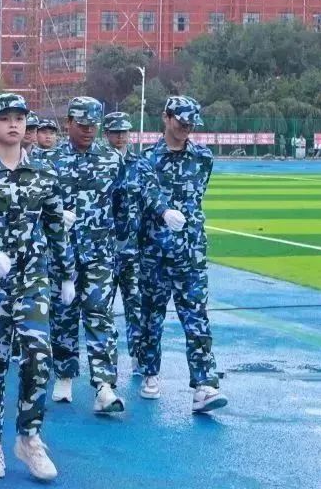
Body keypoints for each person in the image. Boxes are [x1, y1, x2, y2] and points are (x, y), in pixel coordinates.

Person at [0, 93, 74, 481]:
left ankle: (29, 437)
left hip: (30, 276)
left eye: (20, 118)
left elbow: (55, 225)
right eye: (5, 118)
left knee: (38, 354)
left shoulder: (43, 173)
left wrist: (67, 274)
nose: (14, 124)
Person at [129, 96, 227, 412]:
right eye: (181, 121)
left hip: (190, 252)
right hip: (154, 252)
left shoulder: (203, 157)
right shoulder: (146, 159)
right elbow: (146, 195)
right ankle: (150, 372)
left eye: (190, 123)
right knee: (151, 316)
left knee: (196, 316)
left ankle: (204, 384)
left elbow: (198, 195)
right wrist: (163, 212)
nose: (186, 128)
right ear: (166, 118)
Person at [48, 97, 128, 414]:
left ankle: (104, 386)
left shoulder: (111, 159)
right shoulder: (49, 160)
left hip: (98, 251)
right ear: (69, 122)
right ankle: (64, 373)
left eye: (93, 125)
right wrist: (54, 217)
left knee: (99, 313)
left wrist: (120, 238)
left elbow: (121, 203)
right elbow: (35, 204)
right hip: (61, 252)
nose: (88, 131)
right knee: (63, 314)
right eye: (82, 125)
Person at [103, 112, 144, 371]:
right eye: (115, 132)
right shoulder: (97, 163)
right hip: (103, 249)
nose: (120, 136)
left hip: (133, 248)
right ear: (106, 133)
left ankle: (138, 356)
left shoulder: (139, 164)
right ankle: (107, 363)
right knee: (102, 309)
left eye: (124, 132)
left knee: (136, 304)